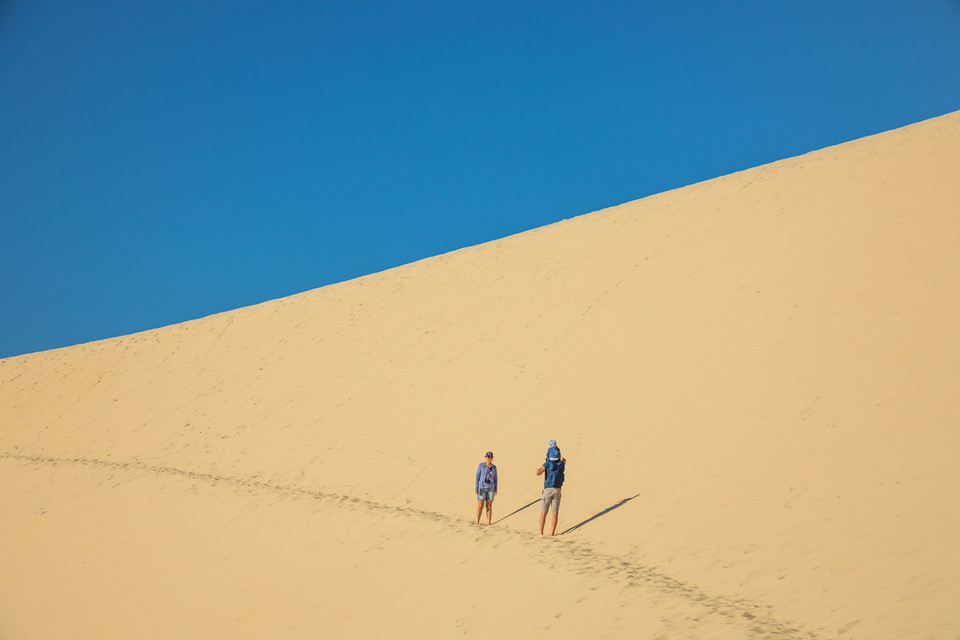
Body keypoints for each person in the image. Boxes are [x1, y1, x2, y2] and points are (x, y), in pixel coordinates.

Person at [535, 440, 566, 535]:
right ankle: (552, 533)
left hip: (548, 489)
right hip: (557, 490)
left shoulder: (548, 464)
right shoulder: (561, 464)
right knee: (554, 513)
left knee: (544, 512)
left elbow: (538, 472)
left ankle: (541, 533)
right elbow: (564, 459)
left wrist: (545, 463)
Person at [475, 451, 498, 525]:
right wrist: (476, 488)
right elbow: (477, 477)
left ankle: (489, 522)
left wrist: (495, 489)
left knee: (489, 506)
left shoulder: (494, 467)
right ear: (486, 457)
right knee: (480, 505)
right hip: (482, 487)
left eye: (491, 457)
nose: (489, 459)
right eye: (488, 457)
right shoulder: (481, 465)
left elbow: (496, 479)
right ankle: (477, 522)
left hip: (491, 488)